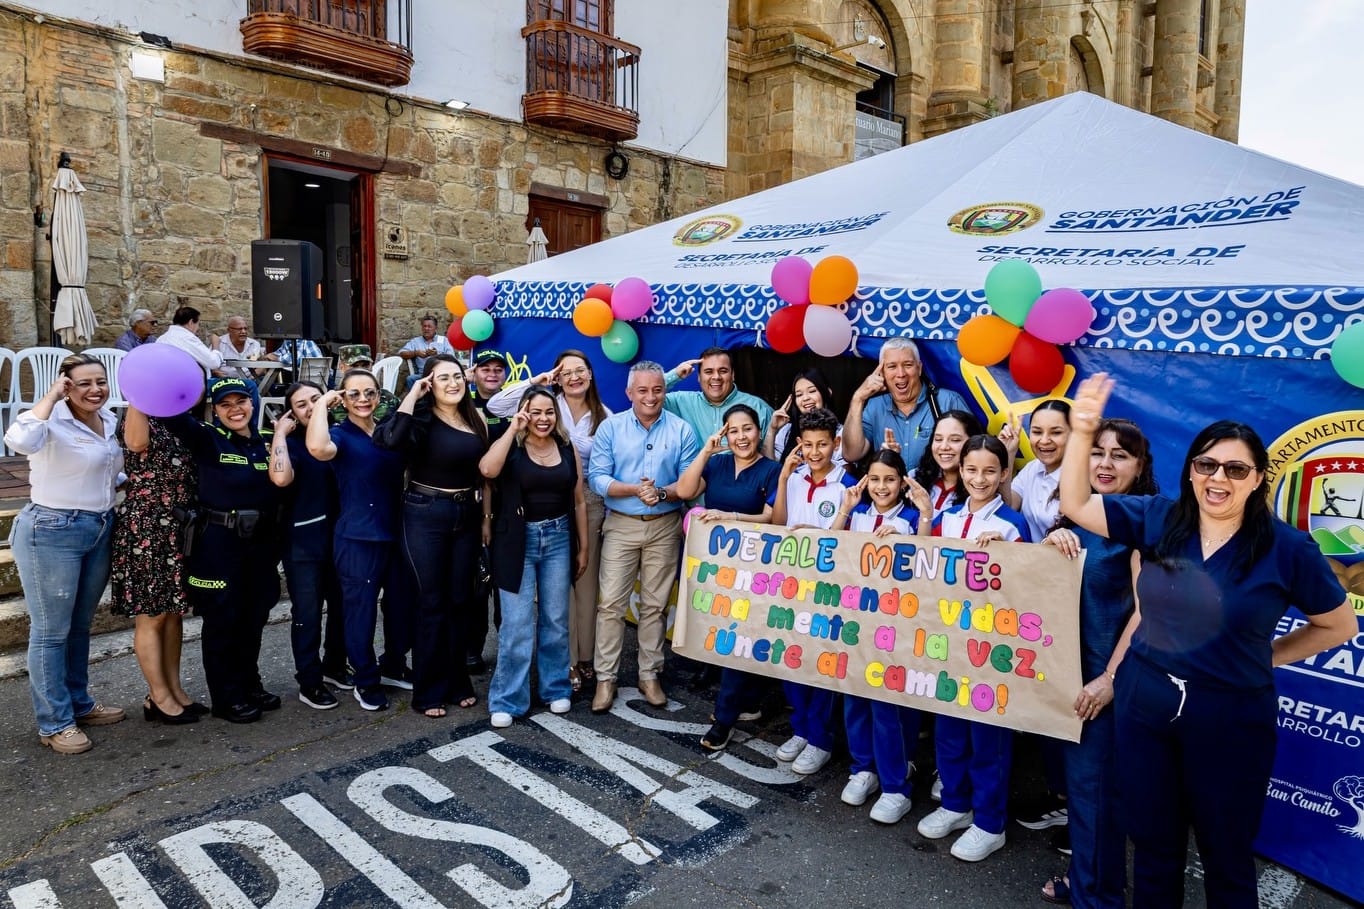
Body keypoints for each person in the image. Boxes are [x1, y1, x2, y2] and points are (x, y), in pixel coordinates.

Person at [1059, 373, 1355, 908]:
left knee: (1226, 857)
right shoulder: (1160, 518)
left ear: (1258, 478)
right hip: (1145, 706)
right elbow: (1078, 505)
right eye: (1206, 464)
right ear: (1191, 470)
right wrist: (1080, 431)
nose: (1218, 478)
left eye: (1236, 469)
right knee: (1152, 847)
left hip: (1231, 721)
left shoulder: (1288, 549)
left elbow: (1340, 625)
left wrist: (1268, 655)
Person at [1037, 417, 1157, 909]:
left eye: (1119, 455)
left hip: (1102, 686)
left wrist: (1109, 678)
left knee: (1095, 797)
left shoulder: (1142, 526)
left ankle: (1099, 897)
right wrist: (1047, 550)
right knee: (1081, 795)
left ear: (1140, 466)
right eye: (1097, 452)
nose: (1105, 464)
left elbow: (1149, 611)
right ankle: (1084, 878)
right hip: (1061, 680)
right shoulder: (1077, 516)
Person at [131, 376, 282, 724]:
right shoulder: (206, 438)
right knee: (223, 622)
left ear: (252, 403)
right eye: (225, 404)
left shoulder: (267, 444)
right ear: (214, 410)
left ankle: (249, 684)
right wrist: (144, 385)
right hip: (218, 545)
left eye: (241, 401)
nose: (235, 409)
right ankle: (226, 698)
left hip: (259, 546)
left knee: (253, 619)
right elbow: (171, 417)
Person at [5, 354, 126, 754]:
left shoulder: (109, 420)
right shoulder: (49, 420)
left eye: (101, 382)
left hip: (99, 526)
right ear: (67, 385)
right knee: (50, 632)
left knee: (79, 625)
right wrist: (52, 395)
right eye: (84, 383)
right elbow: (18, 441)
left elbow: (109, 470)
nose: (95, 390)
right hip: (51, 530)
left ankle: (79, 703)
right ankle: (54, 722)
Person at [918, 434, 1029, 862]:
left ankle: (989, 821)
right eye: (970, 469)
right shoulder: (945, 517)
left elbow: (1024, 590)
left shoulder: (1012, 527)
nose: (978, 478)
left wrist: (1006, 560)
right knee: (949, 732)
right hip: (948, 644)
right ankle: (955, 804)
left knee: (988, 739)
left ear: (1004, 474)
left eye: (989, 471)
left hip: (989, 647)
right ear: (959, 471)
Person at [486, 349, 613, 692]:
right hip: (534, 509)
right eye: (566, 371)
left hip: (583, 499)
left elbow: (607, 462)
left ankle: (582, 660)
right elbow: (496, 406)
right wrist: (538, 380)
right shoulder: (543, 405)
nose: (573, 377)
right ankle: (565, 665)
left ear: (590, 374)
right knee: (544, 607)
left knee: (582, 590)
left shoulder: (603, 416)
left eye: (580, 370)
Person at [374, 354, 488, 716]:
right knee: (431, 604)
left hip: (466, 515)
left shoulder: (475, 417)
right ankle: (428, 690)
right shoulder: (420, 418)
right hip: (425, 514)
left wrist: (485, 518)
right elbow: (389, 439)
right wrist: (413, 395)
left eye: (457, 376)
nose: (453, 383)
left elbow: (484, 475)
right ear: (429, 384)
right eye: (442, 379)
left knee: (460, 602)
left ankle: (457, 682)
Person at [587, 360, 700, 714]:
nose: (651, 397)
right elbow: (598, 478)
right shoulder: (611, 428)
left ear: (664, 391)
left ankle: (649, 674)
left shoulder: (682, 430)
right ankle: (605, 679)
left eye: (657, 390)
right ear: (629, 393)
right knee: (610, 606)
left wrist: (662, 494)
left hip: (665, 526)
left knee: (655, 606)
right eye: (643, 390)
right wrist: (635, 490)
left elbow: (688, 482)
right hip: (621, 524)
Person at [674, 404, 780, 751]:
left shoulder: (771, 469)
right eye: (733, 431)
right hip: (718, 570)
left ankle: (725, 719)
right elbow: (687, 491)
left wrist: (731, 516)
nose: (741, 437)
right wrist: (707, 449)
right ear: (725, 434)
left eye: (747, 429)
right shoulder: (717, 463)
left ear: (758, 432)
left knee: (739, 638)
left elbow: (775, 519)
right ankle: (747, 701)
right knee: (727, 637)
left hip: (757, 570)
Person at [480, 385, 587, 727]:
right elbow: (487, 471)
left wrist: (582, 546)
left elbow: (580, 499)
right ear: (525, 412)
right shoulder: (510, 444)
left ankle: (555, 689)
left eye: (549, 412)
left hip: (558, 538)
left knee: (555, 619)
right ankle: (508, 699)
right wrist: (514, 427)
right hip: (517, 542)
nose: (543, 419)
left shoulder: (567, 447)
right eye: (536, 412)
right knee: (516, 624)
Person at [833, 450, 932, 822]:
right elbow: (830, 553)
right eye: (874, 479)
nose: (881, 487)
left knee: (886, 705)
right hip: (855, 622)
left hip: (895, 628)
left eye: (889, 479)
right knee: (854, 698)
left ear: (902, 482)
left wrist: (919, 521)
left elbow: (927, 561)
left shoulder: (909, 518)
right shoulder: (857, 514)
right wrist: (846, 507)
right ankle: (864, 769)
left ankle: (895, 786)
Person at [307, 368, 412, 713]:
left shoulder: (385, 433)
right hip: (358, 537)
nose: (363, 400)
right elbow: (318, 448)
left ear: (379, 396)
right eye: (354, 394)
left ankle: (393, 665)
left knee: (400, 606)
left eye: (370, 393)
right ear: (343, 399)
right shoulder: (339, 434)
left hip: (395, 533)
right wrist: (323, 404)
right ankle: (365, 679)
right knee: (360, 612)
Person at [770, 407, 857, 775]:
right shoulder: (794, 477)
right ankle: (801, 728)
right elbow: (778, 524)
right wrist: (783, 478)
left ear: (835, 444)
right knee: (791, 656)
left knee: (822, 662)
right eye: (808, 445)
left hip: (830, 588)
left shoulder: (848, 483)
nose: (815, 452)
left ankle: (820, 738)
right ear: (799, 445)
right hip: (793, 583)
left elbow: (852, 541)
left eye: (823, 444)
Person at [111, 398, 203, 725]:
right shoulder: (140, 414)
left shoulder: (178, 418)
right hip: (148, 526)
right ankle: (157, 695)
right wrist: (142, 392)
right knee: (152, 615)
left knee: (173, 614)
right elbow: (136, 443)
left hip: (179, 526)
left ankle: (174, 689)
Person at [268, 381, 351, 710]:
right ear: (292, 413)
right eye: (301, 404)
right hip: (303, 543)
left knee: (344, 606)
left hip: (342, 539)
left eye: (315, 399)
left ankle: (334, 665)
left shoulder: (341, 436)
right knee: (308, 612)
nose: (311, 407)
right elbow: (280, 479)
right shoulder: (291, 444)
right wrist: (278, 434)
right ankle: (309, 680)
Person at [842, 338, 970, 468]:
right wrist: (858, 399)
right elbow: (851, 454)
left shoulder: (948, 401)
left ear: (919, 368)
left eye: (908, 365)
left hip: (936, 487)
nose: (901, 374)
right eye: (892, 366)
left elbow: (972, 452)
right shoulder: (875, 406)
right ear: (882, 373)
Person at [999, 398, 1073, 542]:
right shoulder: (1032, 468)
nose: (1044, 440)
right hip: (1029, 560)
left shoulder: (1083, 476)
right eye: (1037, 432)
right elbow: (1008, 507)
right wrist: (1008, 454)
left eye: (1056, 432)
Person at [664, 347, 774, 442]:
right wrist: (675, 375)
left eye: (723, 371)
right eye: (708, 371)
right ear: (698, 376)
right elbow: (648, 399)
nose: (716, 377)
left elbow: (773, 450)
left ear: (733, 375)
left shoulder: (758, 407)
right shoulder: (681, 401)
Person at [911, 409, 985, 519]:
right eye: (938, 439)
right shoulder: (914, 478)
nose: (944, 446)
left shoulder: (980, 486)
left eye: (955, 440)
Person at [764, 367, 843, 467]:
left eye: (812, 391)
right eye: (799, 394)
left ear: (827, 392)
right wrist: (772, 429)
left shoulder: (840, 433)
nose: (805, 398)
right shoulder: (787, 431)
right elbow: (770, 470)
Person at [159, 305, 226, 377]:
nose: (198, 328)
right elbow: (213, 362)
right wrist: (215, 345)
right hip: (185, 384)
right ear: (191, 322)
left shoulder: (161, 338)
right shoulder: (187, 338)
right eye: (198, 324)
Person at [214, 315, 279, 382]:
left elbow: (254, 360)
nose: (243, 331)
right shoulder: (219, 342)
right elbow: (211, 364)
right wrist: (216, 372)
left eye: (245, 328)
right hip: (223, 381)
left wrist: (251, 378)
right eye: (239, 329)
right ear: (229, 330)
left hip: (249, 380)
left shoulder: (254, 344)